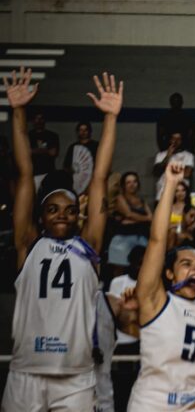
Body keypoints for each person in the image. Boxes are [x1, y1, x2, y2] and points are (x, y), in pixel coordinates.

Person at [1, 68, 120, 411]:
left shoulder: (90, 247)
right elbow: (25, 173)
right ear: (40, 216)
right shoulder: (28, 243)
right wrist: (18, 111)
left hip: (76, 378)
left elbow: (100, 177)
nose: (62, 215)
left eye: (69, 210)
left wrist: (110, 119)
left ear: (79, 215)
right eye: (53, 209)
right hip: (26, 372)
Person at [129, 162, 195, 411]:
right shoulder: (155, 300)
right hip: (150, 405)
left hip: (192, 406)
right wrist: (171, 185)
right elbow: (157, 240)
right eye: (186, 264)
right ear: (169, 273)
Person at [95, 287, 139, 412]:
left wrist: (138, 312)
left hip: (100, 402)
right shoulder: (42, 301)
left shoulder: (110, 303)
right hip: (50, 394)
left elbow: (150, 334)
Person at [109, 172, 152, 275]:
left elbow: (152, 218)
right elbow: (128, 214)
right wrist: (144, 218)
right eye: (128, 182)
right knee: (120, 272)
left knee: (145, 268)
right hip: (122, 239)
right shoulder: (120, 198)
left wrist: (134, 219)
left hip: (140, 238)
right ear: (124, 185)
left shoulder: (142, 200)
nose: (132, 185)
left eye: (134, 182)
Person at [109, 246, 146, 354]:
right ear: (131, 262)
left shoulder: (149, 285)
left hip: (141, 338)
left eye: (144, 264)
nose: (141, 267)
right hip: (120, 338)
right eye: (139, 263)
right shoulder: (118, 282)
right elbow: (113, 312)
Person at [153, 132, 194, 201]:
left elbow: (187, 173)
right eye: (173, 138)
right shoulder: (160, 155)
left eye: (178, 139)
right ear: (169, 140)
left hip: (180, 195)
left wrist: (170, 171)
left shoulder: (188, 155)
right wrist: (168, 156)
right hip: (162, 194)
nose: (176, 141)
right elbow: (156, 172)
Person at [28, 110, 60, 190]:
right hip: (32, 173)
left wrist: (35, 150)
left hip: (49, 172)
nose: (39, 121)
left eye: (41, 118)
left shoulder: (52, 136)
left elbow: (53, 152)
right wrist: (46, 151)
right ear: (33, 120)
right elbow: (26, 152)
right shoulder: (28, 136)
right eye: (37, 118)